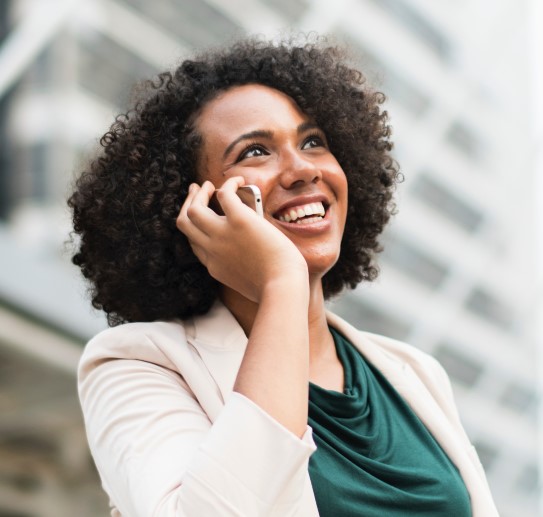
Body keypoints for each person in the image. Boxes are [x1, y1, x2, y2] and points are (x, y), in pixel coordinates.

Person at [69, 35, 498, 516]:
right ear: (195, 206)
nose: (302, 170)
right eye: (255, 152)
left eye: (313, 142)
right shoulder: (137, 366)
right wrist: (281, 282)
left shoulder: (414, 372)